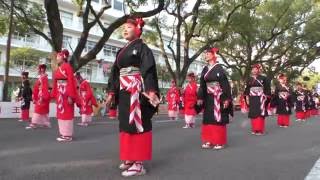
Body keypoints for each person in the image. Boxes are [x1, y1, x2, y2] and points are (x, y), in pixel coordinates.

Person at [106, 17, 160, 177]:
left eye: (129, 27)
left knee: (137, 123)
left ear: (138, 30)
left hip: (137, 90)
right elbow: (115, 73)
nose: (125, 29)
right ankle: (129, 157)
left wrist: (150, 90)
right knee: (125, 123)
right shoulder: (122, 51)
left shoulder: (143, 48)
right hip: (124, 90)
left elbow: (148, 69)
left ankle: (139, 163)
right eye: (124, 27)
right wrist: (111, 92)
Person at [197, 47, 232, 150]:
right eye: (205, 54)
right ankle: (209, 140)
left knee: (218, 118)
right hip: (208, 97)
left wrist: (226, 99)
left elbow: (225, 84)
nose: (206, 55)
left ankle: (219, 141)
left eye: (208, 53)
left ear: (213, 55)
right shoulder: (205, 69)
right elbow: (202, 84)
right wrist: (200, 97)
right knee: (208, 117)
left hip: (218, 97)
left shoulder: (219, 68)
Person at [51, 49, 78, 142]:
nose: (57, 58)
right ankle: (63, 133)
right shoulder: (59, 68)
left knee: (66, 113)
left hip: (66, 92)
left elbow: (71, 81)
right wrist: (54, 94)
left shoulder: (67, 67)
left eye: (58, 56)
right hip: (60, 92)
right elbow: (55, 82)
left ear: (64, 57)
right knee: (61, 113)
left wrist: (71, 95)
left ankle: (67, 135)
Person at [244, 64, 271, 135]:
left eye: (256, 69)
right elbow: (247, 88)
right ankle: (254, 129)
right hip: (252, 97)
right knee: (253, 112)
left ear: (259, 70)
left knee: (260, 112)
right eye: (253, 69)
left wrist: (266, 95)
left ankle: (260, 129)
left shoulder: (263, 78)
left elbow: (267, 88)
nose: (255, 70)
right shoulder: (249, 79)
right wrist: (246, 96)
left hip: (260, 98)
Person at [26, 64, 51, 129]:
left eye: (39, 69)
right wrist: (34, 95)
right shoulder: (41, 77)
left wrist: (42, 96)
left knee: (38, 109)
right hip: (41, 94)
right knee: (43, 110)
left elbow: (45, 87)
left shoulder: (44, 78)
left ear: (42, 69)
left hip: (42, 95)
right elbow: (37, 87)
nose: (38, 70)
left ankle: (34, 123)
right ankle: (46, 123)